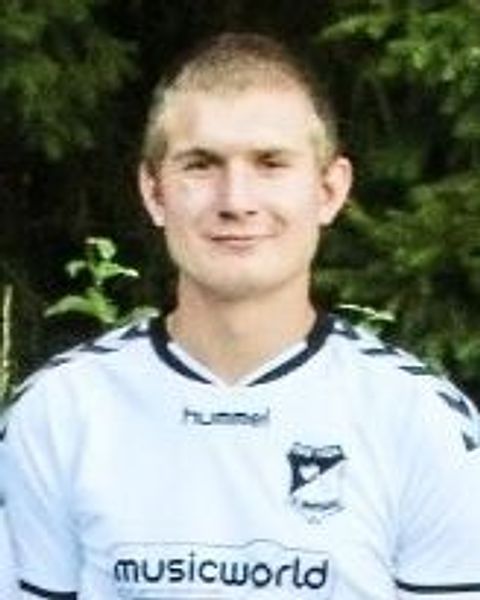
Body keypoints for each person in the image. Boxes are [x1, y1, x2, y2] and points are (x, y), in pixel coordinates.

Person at [3, 32, 480, 599]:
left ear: (329, 190)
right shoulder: (59, 411)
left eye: (270, 163)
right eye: (201, 165)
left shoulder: (421, 421)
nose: (235, 201)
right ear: (154, 192)